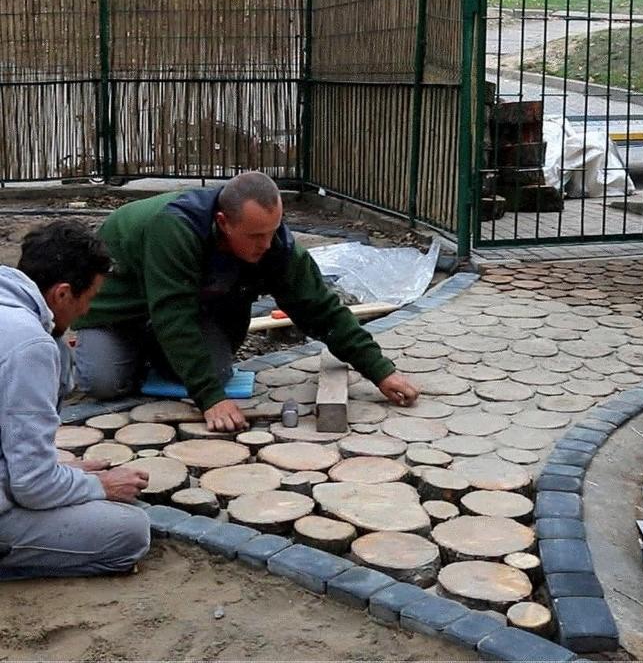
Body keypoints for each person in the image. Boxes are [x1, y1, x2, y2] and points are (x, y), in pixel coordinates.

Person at [73, 172, 420, 432]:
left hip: (176, 308)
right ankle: (124, 348)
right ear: (223, 223)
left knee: (217, 370)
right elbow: (173, 315)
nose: (267, 244)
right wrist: (210, 399)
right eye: (255, 236)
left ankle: (155, 349)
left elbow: (321, 309)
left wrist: (380, 371)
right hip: (119, 308)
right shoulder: (175, 229)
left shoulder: (275, 246)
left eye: (273, 230)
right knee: (104, 383)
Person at [0, 220, 150, 580]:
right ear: (63, 294)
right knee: (130, 531)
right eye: (90, 298)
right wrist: (100, 485)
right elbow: (32, 486)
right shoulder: (29, 344)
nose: (87, 312)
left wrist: (61, 473)